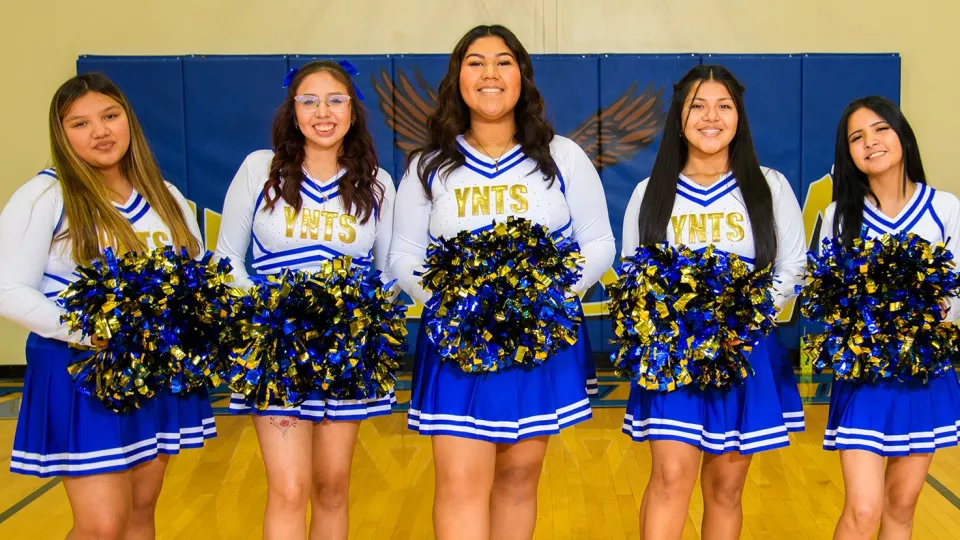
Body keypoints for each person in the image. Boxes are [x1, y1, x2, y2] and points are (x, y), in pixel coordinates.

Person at [389, 24, 615, 540]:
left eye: (503, 62)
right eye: (475, 62)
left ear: (523, 76)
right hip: (456, 344)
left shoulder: (563, 156)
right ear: (457, 77)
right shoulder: (429, 165)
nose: (490, 73)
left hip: (537, 341)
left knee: (518, 479)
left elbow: (599, 242)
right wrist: (456, 306)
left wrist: (545, 302)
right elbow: (403, 253)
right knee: (459, 482)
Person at [0, 73, 213, 540]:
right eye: (80, 123)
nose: (100, 131)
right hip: (82, 369)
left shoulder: (165, 196)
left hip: (152, 370)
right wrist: (89, 331)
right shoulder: (45, 196)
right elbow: (8, 288)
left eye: (110, 116)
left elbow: (195, 280)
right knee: (102, 526)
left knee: (140, 515)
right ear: (61, 134)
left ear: (128, 120)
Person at [619, 64, 806, 540]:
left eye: (724, 106)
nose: (711, 116)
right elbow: (631, 273)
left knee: (726, 488)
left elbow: (792, 268)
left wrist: (739, 314)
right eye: (697, 105)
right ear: (679, 117)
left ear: (739, 116)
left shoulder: (770, 186)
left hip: (743, 351)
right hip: (672, 355)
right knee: (670, 479)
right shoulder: (649, 193)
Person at [214, 60, 396, 540]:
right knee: (289, 489)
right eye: (309, 100)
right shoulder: (260, 169)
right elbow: (227, 258)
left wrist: (356, 320)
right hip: (278, 348)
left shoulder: (377, 182)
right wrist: (271, 313)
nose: (323, 111)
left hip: (345, 351)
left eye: (335, 100)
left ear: (353, 112)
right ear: (291, 110)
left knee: (333, 486)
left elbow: (388, 271)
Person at [820, 95, 960, 540]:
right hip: (865, 378)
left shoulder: (946, 208)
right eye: (857, 137)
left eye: (881, 129)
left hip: (926, 376)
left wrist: (936, 312)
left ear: (902, 135)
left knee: (901, 508)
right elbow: (829, 298)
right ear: (849, 154)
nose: (871, 142)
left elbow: (956, 292)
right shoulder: (838, 217)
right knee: (863, 509)